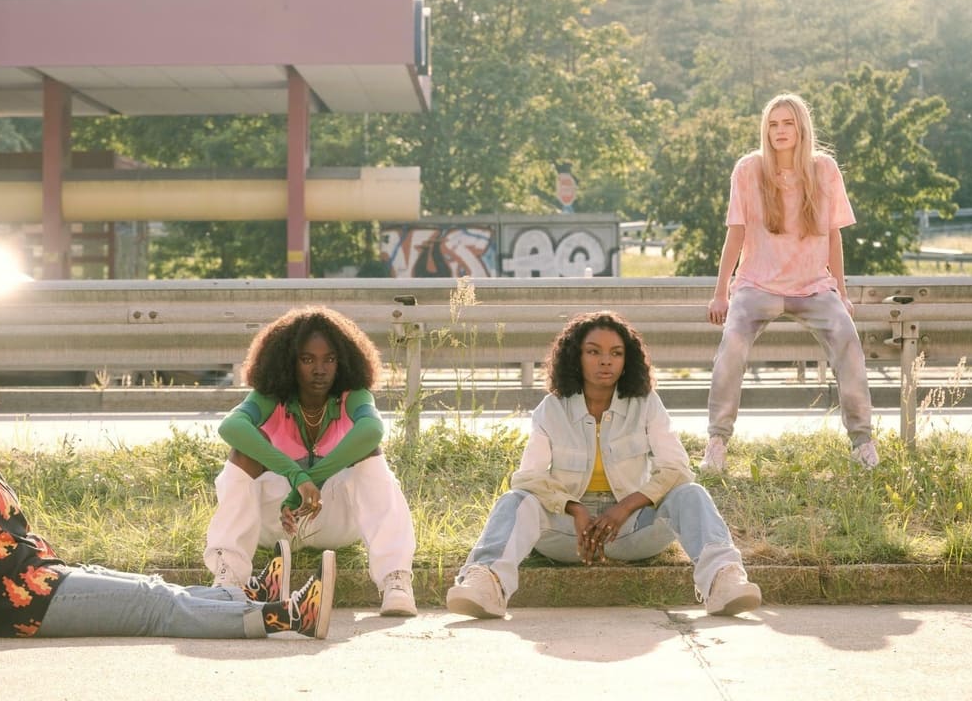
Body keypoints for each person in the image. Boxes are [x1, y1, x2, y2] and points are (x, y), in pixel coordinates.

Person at [0, 342, 334, 644]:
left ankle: (246, 596)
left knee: (153, 589)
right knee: (154, 608)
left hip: (38, 579)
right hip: (20, 603)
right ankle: (288, 616)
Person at [445, 311, 762, 619]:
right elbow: (528, 478)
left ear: (627, 360)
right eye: (593, 352)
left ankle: (722, 580)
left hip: (633, 530)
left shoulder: (646, 403)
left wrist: (624, 508)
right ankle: (486, 582)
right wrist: (575, 509)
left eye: (616, 353)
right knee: (514, 500)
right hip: (568, 533)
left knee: (691, 493)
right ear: (576, 356)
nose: (606, 361)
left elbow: (676, 469)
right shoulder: (551, 409)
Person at [204, 306, 418, 616]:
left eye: (329, 359)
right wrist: (296, 476)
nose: (320, 370)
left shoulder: (353, 396)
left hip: (337, 521)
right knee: (243, 452)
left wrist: (311, 480)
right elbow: (231, 427)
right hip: (278, 522)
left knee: (369, 453)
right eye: (307, 360)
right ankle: (230, 578)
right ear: (288, 361)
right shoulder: (271, 397)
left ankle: (395, 579)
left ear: (342, 361)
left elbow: (373, 430)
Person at [703, 92, 877, 473]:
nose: (779, 131)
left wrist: (841, 293)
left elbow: (833, 236)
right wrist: (721, 293)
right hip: (756, 285)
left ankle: (862, 442)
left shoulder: (824, 170)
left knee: (848, 341)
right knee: (732, 344)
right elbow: (735, 233)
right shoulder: (748, 170)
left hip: (814, 287)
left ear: (801, 128)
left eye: (787, 123)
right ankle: (716, 442)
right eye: (772, 124)